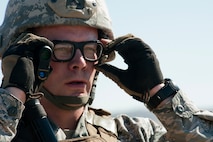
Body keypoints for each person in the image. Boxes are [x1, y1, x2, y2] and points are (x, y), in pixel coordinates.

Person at [0, 0, 213, 141]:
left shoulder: (132, 134)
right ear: (23, 56)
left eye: (91, 49)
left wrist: (161, 95)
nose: (80, 62)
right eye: (60, 49)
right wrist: (11, 99)